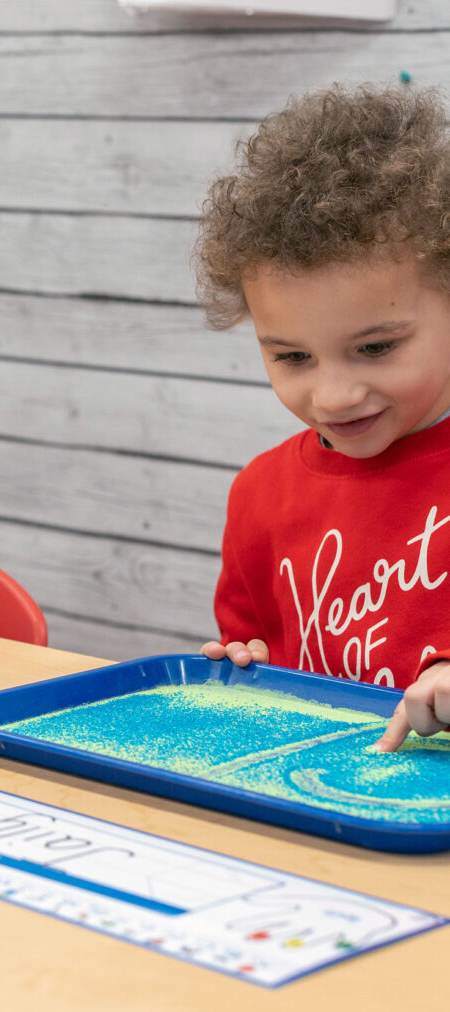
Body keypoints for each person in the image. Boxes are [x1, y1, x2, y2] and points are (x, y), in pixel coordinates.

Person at [192, 83, 450, 752]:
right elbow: (255, 648)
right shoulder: (261, 494)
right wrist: (244, 661)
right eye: (294, 357)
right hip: (311, 796)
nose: (333, 396)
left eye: (375, 348)